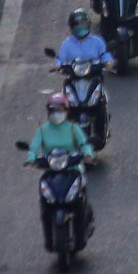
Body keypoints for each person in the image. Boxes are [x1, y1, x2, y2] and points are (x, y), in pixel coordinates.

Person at [25, 92, 94, 250]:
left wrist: (88, 154)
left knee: (79, 198)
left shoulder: (73, 128)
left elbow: (84, 143)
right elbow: (34, 147)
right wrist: (31, 159)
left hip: (72, 168)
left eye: (59, 110)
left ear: (66, 111)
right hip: (51, 172)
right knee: (45, 203)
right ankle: (49, 240)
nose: (56, 113)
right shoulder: (42, 131)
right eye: (53, 110)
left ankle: (82, 228)